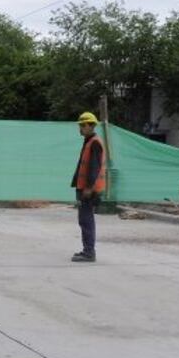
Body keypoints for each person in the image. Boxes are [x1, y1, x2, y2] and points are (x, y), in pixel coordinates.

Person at [70, 112, 107, 262]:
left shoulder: (95, 143)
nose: (80, 128)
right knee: (84, 220)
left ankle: (89, 252)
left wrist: (89, 188)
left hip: (89, 190)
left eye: (82, 125)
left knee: (86, 220)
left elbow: (94, 167)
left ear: (89, 125)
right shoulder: (88, 141)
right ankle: (87, 250)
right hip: (84, 188)